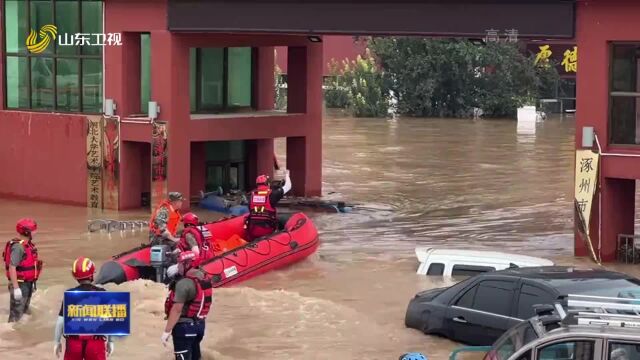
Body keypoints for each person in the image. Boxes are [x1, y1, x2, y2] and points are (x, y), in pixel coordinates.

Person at [53, 256, 115, 359]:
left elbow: (60, 321)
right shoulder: (102, 293)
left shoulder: (70, 294)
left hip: (74, 343)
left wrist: (57, 341)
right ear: (92, 275)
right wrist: (110, 341)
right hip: (95, 343)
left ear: (75, 276)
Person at [161, 251, 213, 360]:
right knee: (195, 356)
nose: (177, 267)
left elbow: (176, 310)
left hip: (184, 328)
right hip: (200, 326)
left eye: (179, 264)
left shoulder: (184, 283)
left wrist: (167, 331)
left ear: (187, 264)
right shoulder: (203, 277)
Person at [3, 218, 42, 323]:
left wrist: (32, 282)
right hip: (20, 284)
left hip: (27, 283)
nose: (36, 232)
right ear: (27, 232)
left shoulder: (28, 245)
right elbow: (12, 267)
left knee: (24, 312)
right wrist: (16, 288)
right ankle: (10, 337)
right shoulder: (18, 247)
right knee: (15, 316)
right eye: (34, 230)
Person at [244, 170, 292, 241]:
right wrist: (287, 175)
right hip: (267, 230)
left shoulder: (251, 196)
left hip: (253, 230)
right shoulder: (272, 195)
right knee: (284, 219)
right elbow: (288, 186)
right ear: (268, 184)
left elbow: (253, 210)